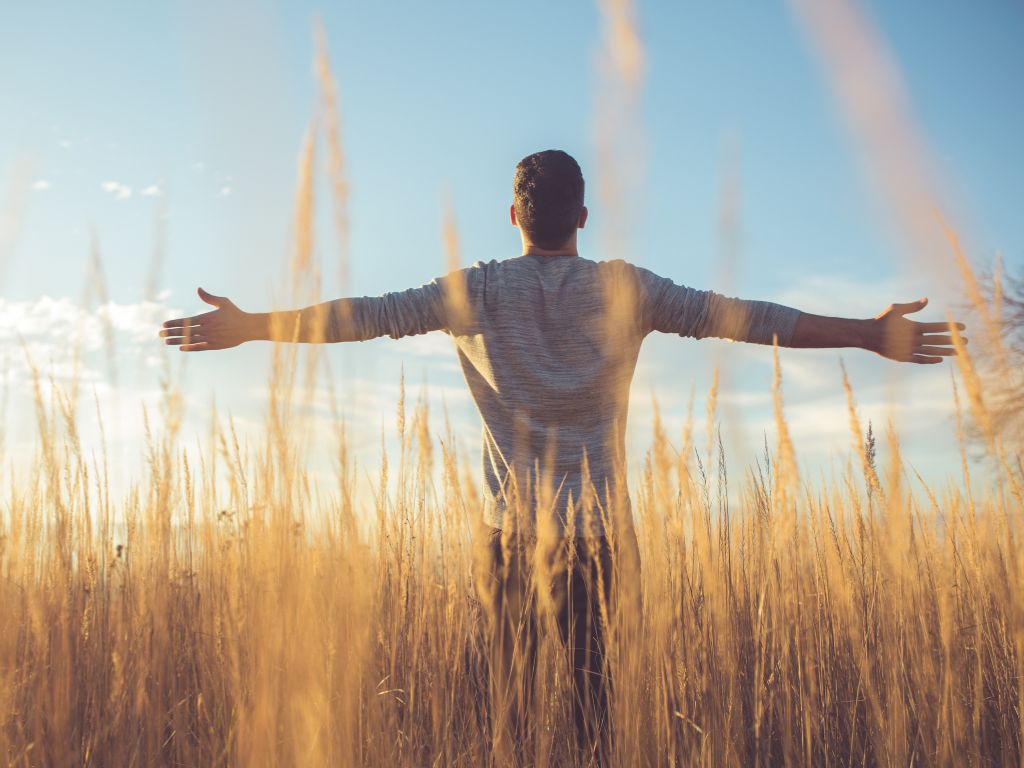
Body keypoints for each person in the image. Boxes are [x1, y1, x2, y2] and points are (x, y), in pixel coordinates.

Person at [160, 149, 966, 766]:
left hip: (510, 537)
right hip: (604, 539)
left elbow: (362, 317)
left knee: (499, 724)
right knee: (596, 723)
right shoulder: (627, 287)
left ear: (513, 213)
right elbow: (745, 318)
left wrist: (254, 324)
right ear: (583, 213)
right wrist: (866, 333)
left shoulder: (473, 290)